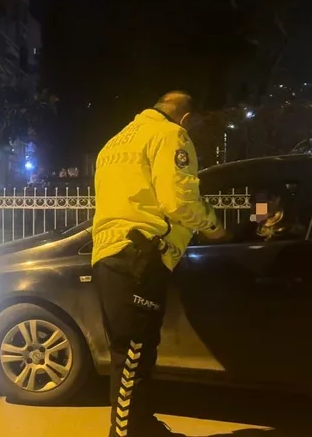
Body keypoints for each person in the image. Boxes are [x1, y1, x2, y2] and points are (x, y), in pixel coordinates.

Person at [91, 92, 227, 437]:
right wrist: (214, 227)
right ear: (185, 117)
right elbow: (178, 201)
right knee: (132, 354)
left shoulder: (114, 143)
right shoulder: (170, 135)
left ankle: (141, 424)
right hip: (142, 254)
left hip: (109, 253)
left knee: (132, 352)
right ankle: (125, 432)